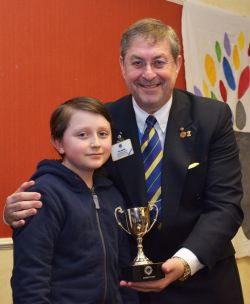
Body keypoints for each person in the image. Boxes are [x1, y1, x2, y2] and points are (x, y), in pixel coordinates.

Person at [5, 19, 244, 304]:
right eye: (137, 63)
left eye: (159, 61)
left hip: (203, 281)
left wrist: (182, 263)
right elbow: (74, 184)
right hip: (130, 289)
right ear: (122, 65)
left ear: (178, 63)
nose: (149, 74)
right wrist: (18, 213)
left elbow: (225, 206)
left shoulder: (211, 117)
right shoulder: (103, 123)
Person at [10, 96, 138, 304]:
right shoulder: (44, 195)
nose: (96, 143)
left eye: (103, 134)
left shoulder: (112, 193)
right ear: (59, 143)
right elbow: (30, 278)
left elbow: (123, 267)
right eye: (82, 135)